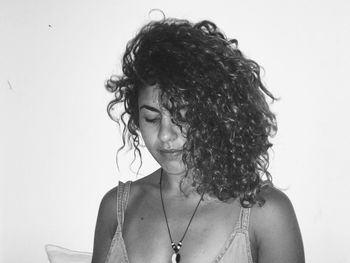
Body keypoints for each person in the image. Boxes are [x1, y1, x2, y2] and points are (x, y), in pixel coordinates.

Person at [92, 17, 305, 263]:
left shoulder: (266, 213)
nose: (164, 135)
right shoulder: (116, 209)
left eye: (182, 117)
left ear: (216, 116)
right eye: (151, 118)